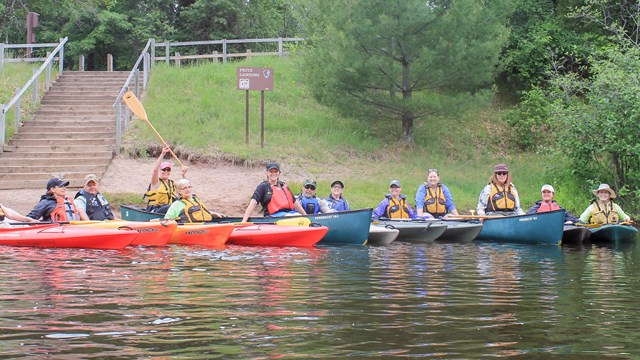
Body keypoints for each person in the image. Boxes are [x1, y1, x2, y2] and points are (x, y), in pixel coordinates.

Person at [241, 162, 306, 222]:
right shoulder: (263, 187)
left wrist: (306, 216)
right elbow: (253, 203)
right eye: (271, 171)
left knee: (301, 218)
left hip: (289, 214)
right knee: (294, 218)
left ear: (279, 173)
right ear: (267, 173)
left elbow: (294, 202)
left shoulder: (284, 186)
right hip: (273, 217)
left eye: (276, 171)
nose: (273, 174)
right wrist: (244, 221)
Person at [144, 145, 188, 214]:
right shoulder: (156, 182)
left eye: (168, 169)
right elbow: (155, 170)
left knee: (185, 203)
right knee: (171, 206)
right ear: (160, 170)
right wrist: (162, 154)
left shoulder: (172, 184)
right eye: (164, 169)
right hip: (155, 210)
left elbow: (186, 186)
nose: (166, 171)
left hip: (169, 211)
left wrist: (183, 175)